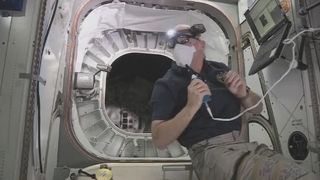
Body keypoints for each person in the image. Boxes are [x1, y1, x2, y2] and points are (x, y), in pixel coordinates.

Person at [150, 24, 319, 180]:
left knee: (303, 172)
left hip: (244, 146)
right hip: (210, 154)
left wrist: (243, 93)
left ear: (200, 43)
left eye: (183, 40)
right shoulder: (166, 84)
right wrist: (190, 107)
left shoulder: (220, 69)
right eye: (173, 44)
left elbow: (257, 108)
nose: (177, 47)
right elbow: (159, 140)